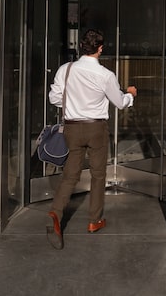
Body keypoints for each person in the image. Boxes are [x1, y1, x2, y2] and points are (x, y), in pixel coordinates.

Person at [46, 29, 137, 249]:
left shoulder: (65, 70)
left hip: (72, 128)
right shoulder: (105, 75)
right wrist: (131, 94)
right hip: (96, 128)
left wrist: (74, 106)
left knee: (70, 175)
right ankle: (94, 221)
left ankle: (56, 212)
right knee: (98, 175)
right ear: (100, 48)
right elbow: (120, 102)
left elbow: (54, 98)